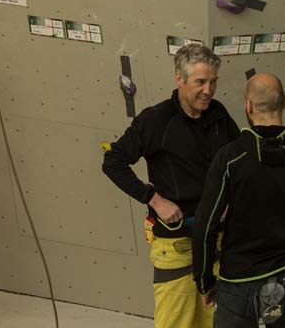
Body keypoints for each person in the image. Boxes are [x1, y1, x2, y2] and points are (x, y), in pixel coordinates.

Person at [103, 44, 241, 328]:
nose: (208, 90)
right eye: (200, 82)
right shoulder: (155, 120)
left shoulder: (219, 115)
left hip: (217, 239)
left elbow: (239, 162)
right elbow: (113, 162)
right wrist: (153, 198)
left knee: (215, 321)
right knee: (177, 322)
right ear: (179, 78)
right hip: (178, 243)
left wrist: (232, 199)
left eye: (213, 81)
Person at [193, 73, 285, 327]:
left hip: (239, 282)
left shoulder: (229, 159)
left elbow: (204, 228)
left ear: (248, 106)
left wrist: (205, 282)